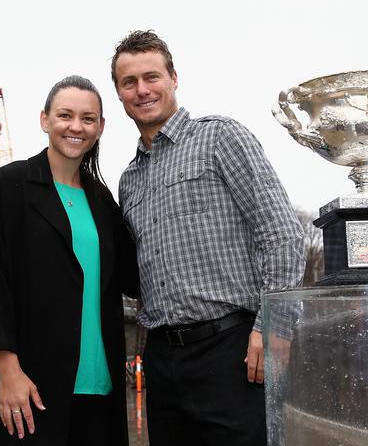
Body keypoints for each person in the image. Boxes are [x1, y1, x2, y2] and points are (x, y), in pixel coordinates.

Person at [111, 30, 306, 446]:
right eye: (130, 82)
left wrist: (273, 328)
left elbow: (282, 233)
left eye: (152, 77)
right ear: (119, 93)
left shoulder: (221, 138)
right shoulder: (129, 180)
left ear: (174, 78)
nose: (142, 90)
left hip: (231, 350)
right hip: (162, 360)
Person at [0, 75, 139, 446]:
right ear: (44, 119)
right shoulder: (10, 185)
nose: (76, 127)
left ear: (100, 127)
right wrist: (8, 369)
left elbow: (133, 278)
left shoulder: (102, 201)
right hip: (32, 387)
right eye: (65, 115)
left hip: (101, 387)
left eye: (88, 118)